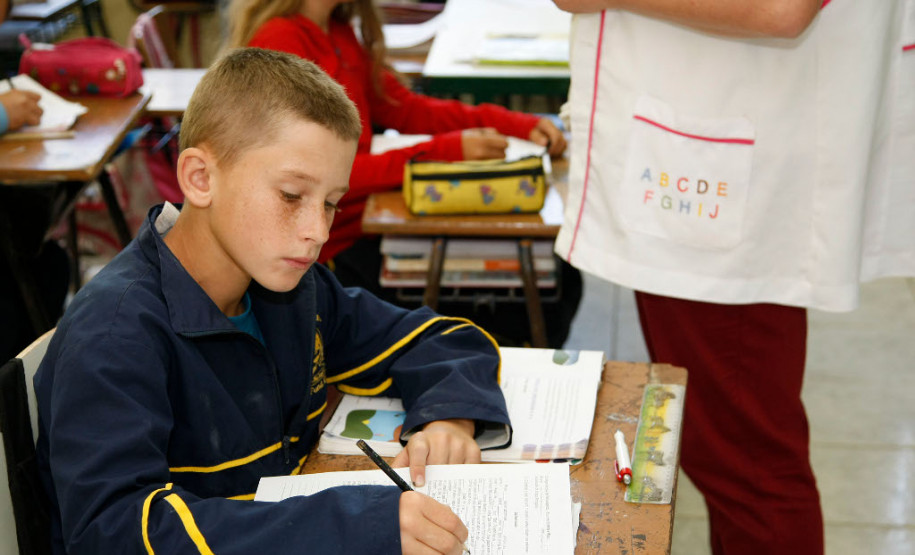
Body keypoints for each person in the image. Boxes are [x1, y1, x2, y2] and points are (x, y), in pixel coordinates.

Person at [35, 48, 511, 555]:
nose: (318, 231)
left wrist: (448, 419)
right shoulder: (115, 335)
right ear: (200, 178)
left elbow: (441, 339)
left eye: (331, 203)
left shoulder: (289, 287)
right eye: (290, 196)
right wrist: (349, 527)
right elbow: (114, 533)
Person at [551, 1, 912, 554]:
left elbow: (780, 8)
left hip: (726, 171)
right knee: (732, 461)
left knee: (749, 469)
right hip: (704, 152)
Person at [224, 0, 581, 347]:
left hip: (364, 229)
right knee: (546, 299)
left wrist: (514, 124)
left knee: (560, 279)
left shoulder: (337, 30)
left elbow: (405, 108)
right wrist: (445, 152)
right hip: (330, 255)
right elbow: (318, 176)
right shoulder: (281, 40)